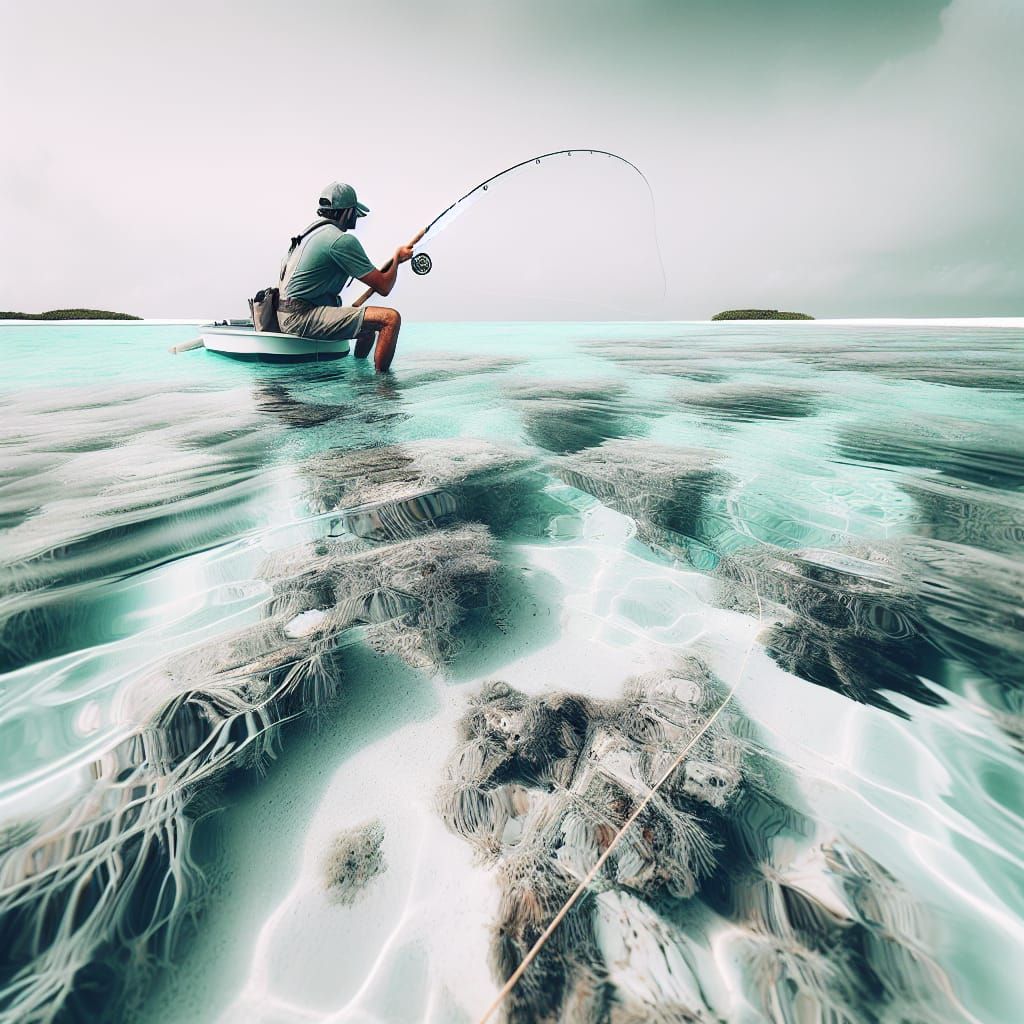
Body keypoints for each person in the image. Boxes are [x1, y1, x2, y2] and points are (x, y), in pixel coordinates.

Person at [277, 182, 413, 371]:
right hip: (301, 317)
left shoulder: (309, 234)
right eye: (355, 212)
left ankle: (359, 372)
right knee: (390, 318)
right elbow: (384, 287)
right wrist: (397, 259)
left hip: (285, 313)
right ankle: (383, 388)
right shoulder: (341, 240)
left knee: (368, 329)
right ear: (347, 212)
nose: (357, 217)